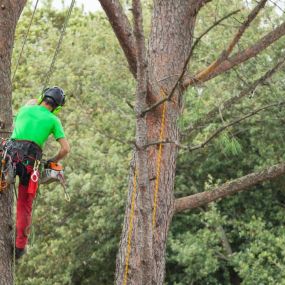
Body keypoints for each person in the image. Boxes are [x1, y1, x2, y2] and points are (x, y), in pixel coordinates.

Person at [9, 86, 70, 259]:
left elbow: (31, 102)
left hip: (11, 154)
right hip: (31, 163)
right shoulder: (53, 120)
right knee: (25, 204)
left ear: (42, 97)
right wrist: (53, 161)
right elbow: (65, 149)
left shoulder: (25, 109)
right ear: (58, 107)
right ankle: (19, 247)